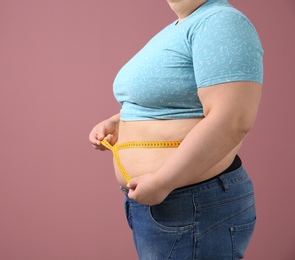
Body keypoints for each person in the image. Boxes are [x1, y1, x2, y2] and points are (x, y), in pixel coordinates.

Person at [89, 0, 263, 259]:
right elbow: (170, 102)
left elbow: (233, 120)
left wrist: (163, 181)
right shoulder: (179, 28)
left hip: (192, 201)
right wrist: (120, 121)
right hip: (170, 203)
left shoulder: (221, 21)